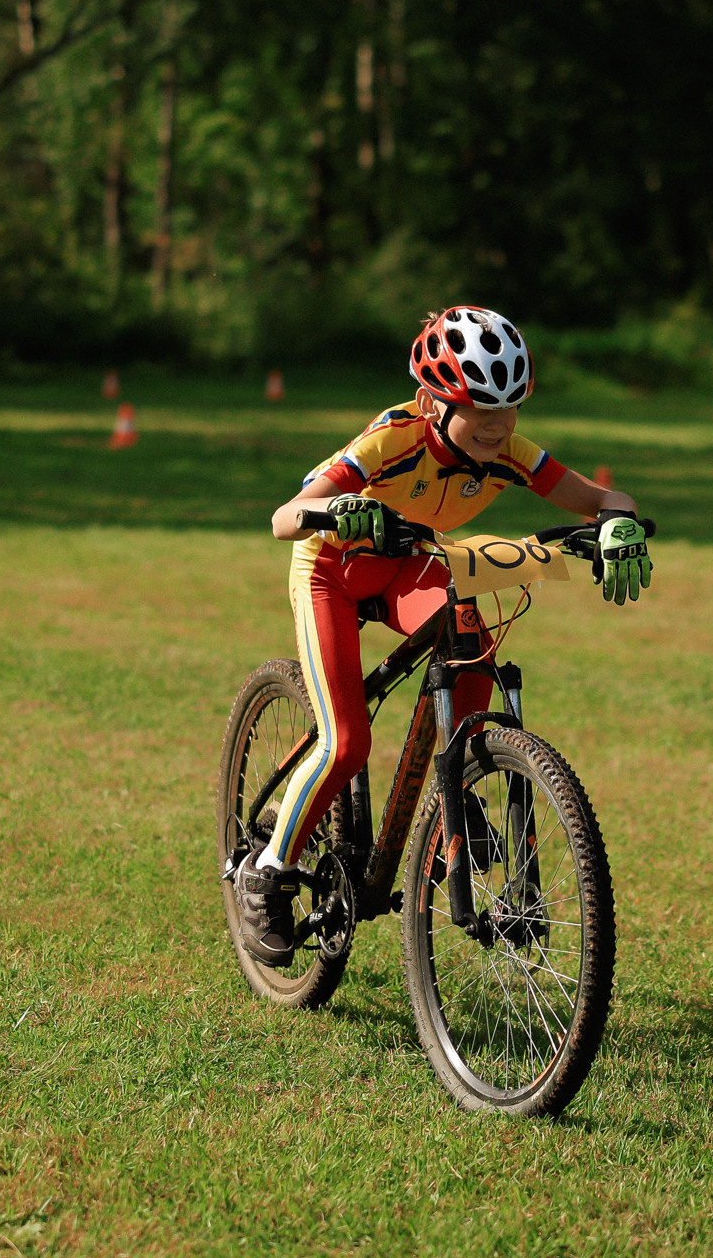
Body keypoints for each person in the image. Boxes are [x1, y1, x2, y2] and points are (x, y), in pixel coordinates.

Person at [238, 306, 653, 967]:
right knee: (345, 742)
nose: (498, 426)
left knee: (471, 634)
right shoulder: (392, 440)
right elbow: (284, 517)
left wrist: (619, 523)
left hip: (410, 564)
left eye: (510, 409)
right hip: (332, 572)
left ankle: (454, 803)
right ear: (432, 402)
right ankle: (267, 869)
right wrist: (338, 510)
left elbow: (605, 497)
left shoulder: (509, 453)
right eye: (480, 410)